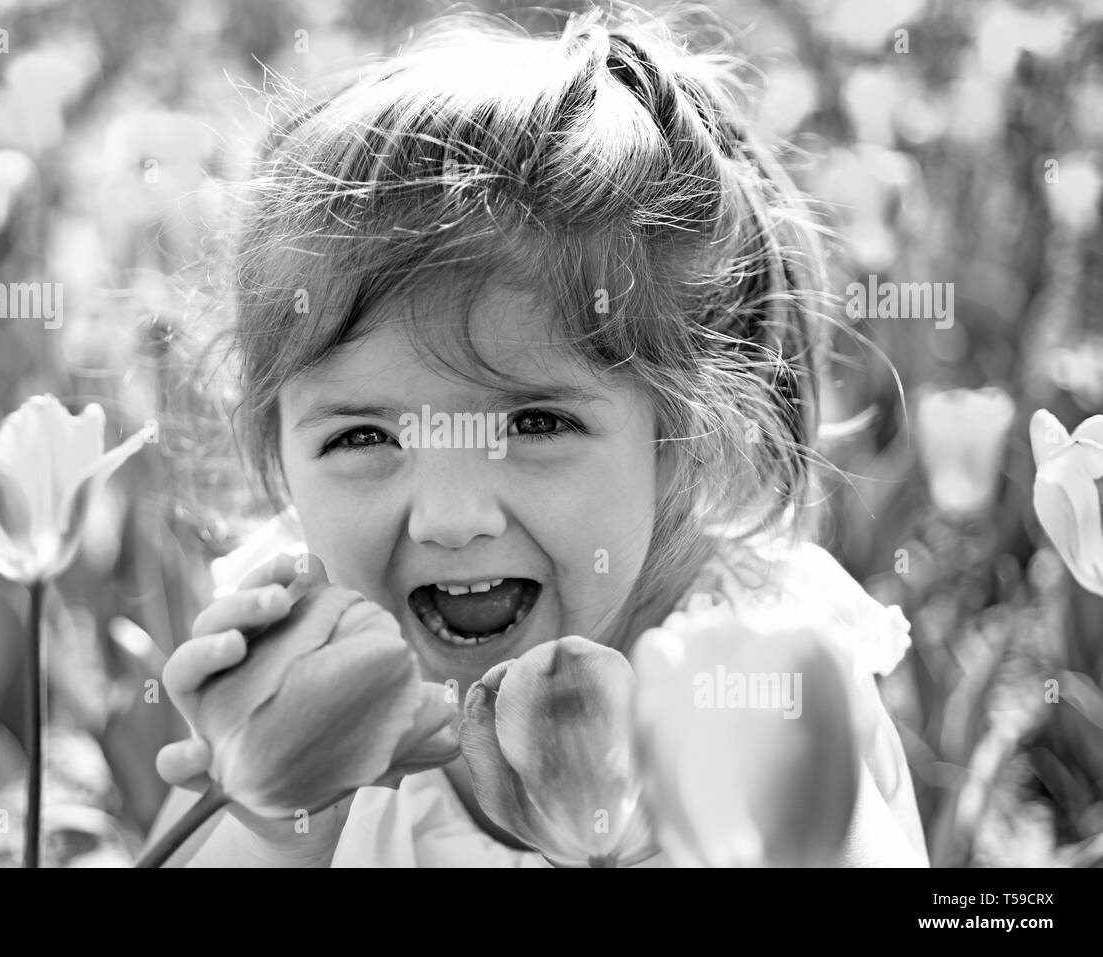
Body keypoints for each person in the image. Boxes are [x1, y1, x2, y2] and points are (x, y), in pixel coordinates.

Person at [147, 4, 929, 867]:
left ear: (688, 435)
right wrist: (274, 820)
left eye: (534, 422)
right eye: (364, 437)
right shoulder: (296, 678)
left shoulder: (753, 681)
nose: (449, 518)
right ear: (278, 451)